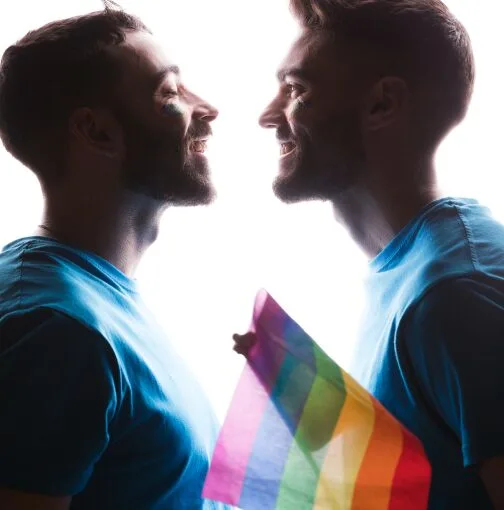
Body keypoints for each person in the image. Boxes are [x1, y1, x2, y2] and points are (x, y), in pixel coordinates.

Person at [233, 0, 504, 508]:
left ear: (382, 104)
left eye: (296, 90)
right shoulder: (413, 273)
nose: (269, 115)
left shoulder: (457, 292)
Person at [0, 7, 228, 510]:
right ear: (97, 132)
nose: (207, 107)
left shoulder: (91, 301)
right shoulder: (56, 329)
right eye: (170, 92)